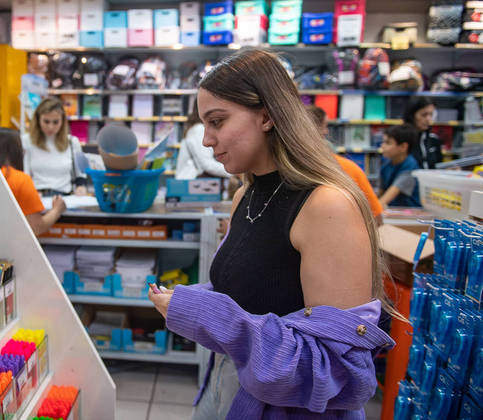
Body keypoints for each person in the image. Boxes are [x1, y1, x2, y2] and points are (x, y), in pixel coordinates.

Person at [148, 49, 394, 419]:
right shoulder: (245, 195)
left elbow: (335, 368)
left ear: (266, 115)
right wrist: (191, 302)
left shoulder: (327, 206)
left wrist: (208, 313)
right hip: (228, 389)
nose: (206, 140)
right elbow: (253, 295)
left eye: (217, 121)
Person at [306, 105, 384, 219]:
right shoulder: (347, 168)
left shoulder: (284, 166)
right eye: (325, 126)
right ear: (316, 129)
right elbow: (376, 214)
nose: (327, 131)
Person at [0, 128, 66, 236]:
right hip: (15, 246)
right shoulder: (21, 180)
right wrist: (57, 209)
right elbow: (36, 227)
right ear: (16, 149)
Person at [22, 97, 87, 196]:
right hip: (36, 197)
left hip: (65, 198)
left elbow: (81, 173)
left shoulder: (72, 142)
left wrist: (81, 187)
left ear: (63, 121)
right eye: (46, 121)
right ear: (38, 119)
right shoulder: (27, 140)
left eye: (56, 122)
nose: (50, 127)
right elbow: (25, 173)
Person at [176, 98, 231, 180]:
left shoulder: (196, 128)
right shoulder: (199, 129)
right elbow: (207, 164)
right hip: (192, 184)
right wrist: (233, 172)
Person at [379, 124, 421, 208]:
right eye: (383, 142)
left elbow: (385, 199)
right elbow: (380, 195)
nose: (382, 146)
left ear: (403, 147)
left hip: (411, 215)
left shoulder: (410, 167)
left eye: (388, 143)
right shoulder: (385, 166)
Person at [403, 97, 443, 169]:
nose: (428, 119)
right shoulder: (401, 139)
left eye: (431, 115)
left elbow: (438, 167)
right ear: (412, 115)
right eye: (424, 115)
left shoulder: (433, 139)